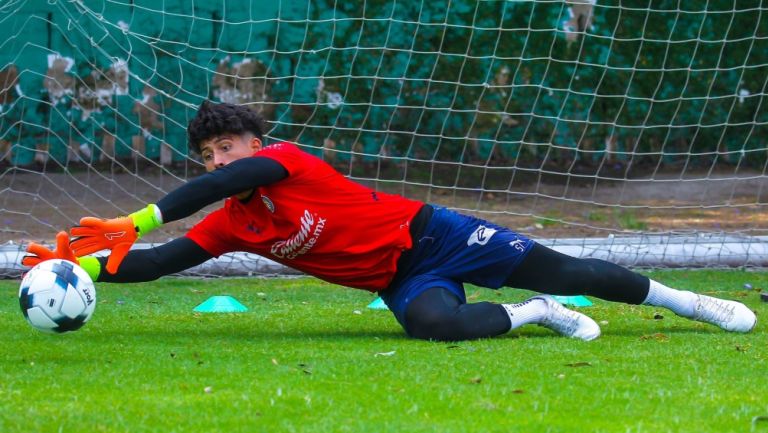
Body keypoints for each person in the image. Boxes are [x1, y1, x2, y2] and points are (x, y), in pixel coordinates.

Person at [23, 101, 757, 342]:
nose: (220, 160)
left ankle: (691, 302)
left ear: (252, 142)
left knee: (570, 265)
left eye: (226, 146)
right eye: (208, 153)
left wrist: (142, 212)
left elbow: (249, 176)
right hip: (402, 276)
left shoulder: (284, 160)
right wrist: (74, 267)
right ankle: (536, 314)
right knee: (433, 325)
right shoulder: (231, 224)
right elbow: (157, 261)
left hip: (432, 231)